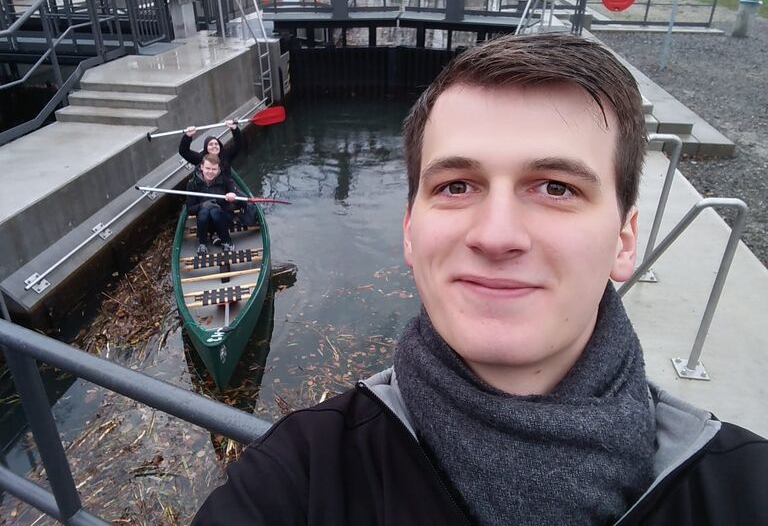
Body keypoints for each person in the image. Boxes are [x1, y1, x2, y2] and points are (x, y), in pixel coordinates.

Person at [192, 34, 767, 525]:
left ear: (623, 239)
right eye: (457, 186)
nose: (496, 235)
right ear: (411, 232)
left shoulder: (745, 488)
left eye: (556, 188)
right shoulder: (300, 477)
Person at [187, 154, 237, 255]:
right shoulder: (192, 184)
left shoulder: (225, 180)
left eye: (214, 169)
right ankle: (202, 244)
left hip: (223, 216)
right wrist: (202, 205)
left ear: (218, 168)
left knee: (214, 212)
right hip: (205, 220)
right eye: (207, 168)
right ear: (201, 167)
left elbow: (235, 197)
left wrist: (232, 196)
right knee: (204, 212)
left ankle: (227, 241)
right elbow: (190, 209)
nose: (210, 172)